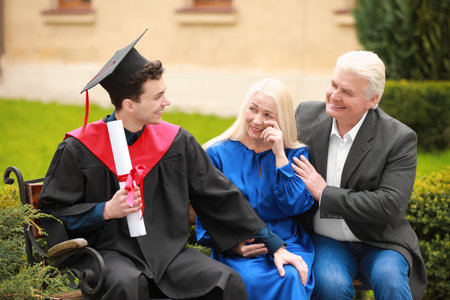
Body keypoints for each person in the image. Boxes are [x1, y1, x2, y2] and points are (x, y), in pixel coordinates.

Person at [38, 30, 307, 300]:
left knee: (225, 282)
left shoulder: (175, 142)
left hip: (168, 254)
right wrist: (105, 210)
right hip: (109, 255)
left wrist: (275, 245)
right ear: (130, 104)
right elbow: (52, 215)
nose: (166, 102)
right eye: (157, 97)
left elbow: (220, 196)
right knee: (127, 284)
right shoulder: (79, 148)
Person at [292, 50, 427, 300]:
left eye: (347, 92)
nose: (334, 96)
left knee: (392, 283)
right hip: (326, 240)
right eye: (334, 84)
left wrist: (325, 194)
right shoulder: (305, 116)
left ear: (372, 99)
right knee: (330, 285)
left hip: (381, 241)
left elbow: (389, 205)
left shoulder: (399, 138)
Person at [196, 78, 315, 300]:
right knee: (247, 280)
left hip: (289, 242)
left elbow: (295, 205)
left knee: (290, 275)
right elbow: (208, 213)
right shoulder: (217, 154)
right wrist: (232, 246)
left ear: (282, 119)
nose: (257, 120)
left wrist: (280, 156)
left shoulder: (294, 154)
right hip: (243, 248)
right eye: (253, 109)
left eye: (268, 115)